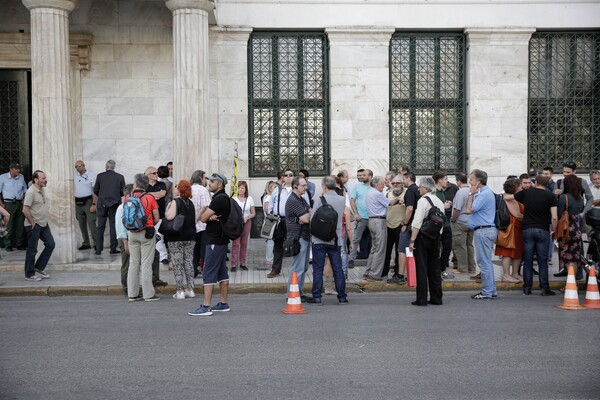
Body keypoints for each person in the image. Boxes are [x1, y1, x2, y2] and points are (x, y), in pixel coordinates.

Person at [188, 173, 233, 316]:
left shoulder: (219, 199)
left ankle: (206, 306)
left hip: (215, 239)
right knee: (221, 272)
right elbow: (207, 217)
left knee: (208, 272)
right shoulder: (222, 198)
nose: (209, 183)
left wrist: (207, 216)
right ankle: (223, 303)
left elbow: (202, 217)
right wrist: (208, 216)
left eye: (212, 181)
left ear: (220, 184)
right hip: (220, 239)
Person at [514, 174, 558, 296]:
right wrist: (553, 229)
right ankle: (544, 288)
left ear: (535, 182)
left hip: (527, 229)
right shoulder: (551, 196)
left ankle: (527, 288)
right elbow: (554, 217)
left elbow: (513, 197)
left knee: (527, 260)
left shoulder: (527, 193)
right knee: (542, 261)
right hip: (543, 230)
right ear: (548, 183)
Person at [307, 175, 348, 305]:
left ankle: (317, 297)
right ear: (335, 185)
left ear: (324, 186)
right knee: (337, 268)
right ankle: (342, 297)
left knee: (318, 268)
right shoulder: (342, 199)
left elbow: (313, 218)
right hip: (335, 239)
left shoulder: (320, 200)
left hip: (319, 239)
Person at [408, 177, 444, 306]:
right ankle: (436, 297)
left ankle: (421, 299)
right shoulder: (439, 201)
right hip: (436, 238)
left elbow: (417, 222)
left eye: (420, 187)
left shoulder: (423, 201)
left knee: (422, 268)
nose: (418, 189)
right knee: (434, 268)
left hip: (423, 238)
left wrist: (412, 240)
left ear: (426, 188)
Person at [268, 168, 309, 278]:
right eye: (286, 175)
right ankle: (275, 269)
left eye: (291, 175)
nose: (288, 177)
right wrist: (270, 218)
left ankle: (295, 269)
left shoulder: (300, 190)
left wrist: (304, 216)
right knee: (278, 245)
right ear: (282, 177)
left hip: (295, 222)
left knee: (294, 245)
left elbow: (307, 207)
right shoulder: (277, 190)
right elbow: (271, 205)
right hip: (279, 220)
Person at [126, 173, 160, 302]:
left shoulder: (128, 197)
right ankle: (148, 294)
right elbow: (156, 217)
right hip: (146, 233)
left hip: (131, 232)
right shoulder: (149, 198)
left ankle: (132, 294)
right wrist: (150, 224)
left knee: (133, 263)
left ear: (136, 184)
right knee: (146, 263)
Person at [466, 169, 498, 300]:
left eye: (472, 180)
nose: (469, 182)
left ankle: (487, 292)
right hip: (486, 230)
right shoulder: (486, 193)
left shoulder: (484, 194)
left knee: (484, 263)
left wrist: (470, 194)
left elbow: (469, 210)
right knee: (487, 262)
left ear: (478, 182)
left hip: (483, 231)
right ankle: (491, 290)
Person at [164, 180, 197, 300]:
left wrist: (168, 207)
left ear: (179, 190)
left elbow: (169, 216)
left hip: (176, 237)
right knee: (188, 261)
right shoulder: (191, 203)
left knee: (177, 263)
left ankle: (179, 290)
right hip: (190, 236)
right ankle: (190, 288)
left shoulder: (175, 202)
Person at [22, 170, 55, 281]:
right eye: (43, 178)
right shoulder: (31, 192)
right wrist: (32, 222)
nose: (45, 180)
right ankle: (29, 274)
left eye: (45, 178)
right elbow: (25, 209)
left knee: (50, 244)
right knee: (32, 250)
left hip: (43, 224)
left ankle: (39, 267)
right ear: (36, 180)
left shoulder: (41, 190)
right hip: (34, 225)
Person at [285, 176, 311, 298]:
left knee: (304, 267)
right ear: (296, 186)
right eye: (303, 185)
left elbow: (310, 213)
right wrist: (304, 217)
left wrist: (305, 217)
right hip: (298, 237)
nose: (306, 187)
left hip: (304, 236)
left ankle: (299, 292)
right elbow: (306, 218)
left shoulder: (301, 199)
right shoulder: (294, 200)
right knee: (298, 267)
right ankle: (292, 294)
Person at [494, 179, 524, 283]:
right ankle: (507, 275)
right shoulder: (510, 198)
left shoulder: (510, 197)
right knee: (508, 251)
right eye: (520, 186)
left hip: (515, 227)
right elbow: (518, 215)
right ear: (514, 187)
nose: (522, 187)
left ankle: (514, 273)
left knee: (517, 251)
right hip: (512, 227)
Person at [555, 175, 585, 279]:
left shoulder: (564, 197)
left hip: (566, 231)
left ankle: (570, 282)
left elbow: (558, 215)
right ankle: (573, 282)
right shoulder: (581, 198)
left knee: (567, 257)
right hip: (577, 230)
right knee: (575, 258)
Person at [94, 159, 125, 255]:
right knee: (114, 225)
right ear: (114, 167)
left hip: (102, 203)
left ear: (106, 167)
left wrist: (103, 197)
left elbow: (95, 190)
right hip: (115, 203)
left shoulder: (100, 176)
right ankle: (113, 249)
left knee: (100, 226)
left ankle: (98, 250)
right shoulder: (120, 177)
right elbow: (122, 192)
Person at [363, 176, 389, 281]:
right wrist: (398, 200)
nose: (383, 186)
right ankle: (374, 274)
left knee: (374, 248)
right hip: (379, 221)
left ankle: (368, 271)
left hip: (372, 221)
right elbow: (389, 203)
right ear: (376, 184)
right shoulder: (377, 194)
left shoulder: (369, 192)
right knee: (380, 248)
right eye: (382, 184)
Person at [450, 173, 477, 276]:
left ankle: (463, 269)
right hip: (471, 222)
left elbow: (457, 209)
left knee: (459, 246)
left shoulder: (460, 192)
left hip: (460, 222)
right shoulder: (473, 191)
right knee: (469, 245)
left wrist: (453, 219)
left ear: (458, 181)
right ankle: (472, 268)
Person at [397, 171, 420, 284]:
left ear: (409, 178)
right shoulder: (418, 190)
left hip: (410, 225)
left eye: (404, 179)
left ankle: (400, 275)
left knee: (402, 249)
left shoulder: (410, 191)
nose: (402, 182)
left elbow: (409, 209)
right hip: (417, 224)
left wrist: (405, 223)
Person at [0, 162, 28, 251]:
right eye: (16, 169)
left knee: (20, 224)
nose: (18, 170)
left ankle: (20, 244)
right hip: (8, 203)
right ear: (11, 169)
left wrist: (24, 199)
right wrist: (1, 203)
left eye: (19, 169)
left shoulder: (21, 177)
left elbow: (25, 189)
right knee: (9, 224)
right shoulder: (3, 177)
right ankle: (8, 244)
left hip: (19, 203)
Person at [383, 174, 405, 282]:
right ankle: (384, 272)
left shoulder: (406, 194)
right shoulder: (388, 194)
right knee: (386, 250)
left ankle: (397, 272)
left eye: (398, 183)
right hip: (388, 224)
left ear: (402, 184)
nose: (395, 185)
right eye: (393, 183)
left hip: (400, 226)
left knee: (398, 251)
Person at [432, 171, 454, 279]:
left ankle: (442, 268)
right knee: (436, 249)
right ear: (440, 180)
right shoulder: (434, 192)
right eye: (445, 179)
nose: (447, 181)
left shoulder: (442, 192)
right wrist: (443, 206)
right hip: (437, 225)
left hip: (445, 224)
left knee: (447, 247)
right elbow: (432, 209)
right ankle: (436, 271)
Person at [230, 180, 256, 272]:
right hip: (236, 223)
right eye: (238, 188)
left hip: (246, 222)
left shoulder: (250, 199)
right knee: (236, 243)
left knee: (244, 244)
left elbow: (253, 213)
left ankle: (242, 263)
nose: (240, 190)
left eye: (242, 188)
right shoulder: (233, 199)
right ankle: (233, 264)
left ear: (245, 189)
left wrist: (247, 217)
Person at [145, 166, 169, 264]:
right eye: (154, 173)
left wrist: (149, 194)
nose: (156, 175)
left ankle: (163, 257)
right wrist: (155, 195)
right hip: (147, 216)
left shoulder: (161, 184)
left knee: (159, 236)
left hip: (160, 215)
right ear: (148, 175)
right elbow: (144, 195)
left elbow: (163, 194)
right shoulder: (144, 185)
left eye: (157, 173)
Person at [349, 168, 372, 266]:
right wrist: (356, 214)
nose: (361, 177)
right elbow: (352, 200)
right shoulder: (357, 187)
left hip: (373, 218)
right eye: (360, 175)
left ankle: (372, 259)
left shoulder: (374, 186)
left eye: (364, 175)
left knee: (374, 239)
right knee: (356, 239)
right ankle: (351, 259)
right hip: (361, 218)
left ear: (369, 176)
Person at [190, 170, 210, 277]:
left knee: (194, 250)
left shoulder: (189, 189)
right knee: (204, 250)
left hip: (191, 226)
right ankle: (204, 269)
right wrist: (197, 218)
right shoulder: (203, 190)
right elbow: (206, 206)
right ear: (201, 178)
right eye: (204, 178)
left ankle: (193, 270)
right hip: (202, 225)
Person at [74, 160, 97, 251]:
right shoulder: (75, 177)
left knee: (92, 223)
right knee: (81, 223)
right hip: (77, 202)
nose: (78, 168)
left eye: (80, 166)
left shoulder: (91, 175)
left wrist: (94, 204)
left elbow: (95, 191)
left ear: (84, 165)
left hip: (88, 201)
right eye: (76, 167)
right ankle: (86, 242)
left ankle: (96, 243)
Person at [116, 184, 133, 292]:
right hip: (125, 239)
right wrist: (125, 242)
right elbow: (121, 227)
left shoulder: (129, 206)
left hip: (128, 238)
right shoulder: (122, 207)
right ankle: (126, 286)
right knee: (126, 263)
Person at [261, 180, 276, 271]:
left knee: (273, 242)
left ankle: (272, 259)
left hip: (273, 221)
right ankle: (269, 261)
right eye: (274, 187)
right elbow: (266, 209)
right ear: (270, 189)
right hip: (271, 221)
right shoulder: (268, 197)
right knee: (270, 242)